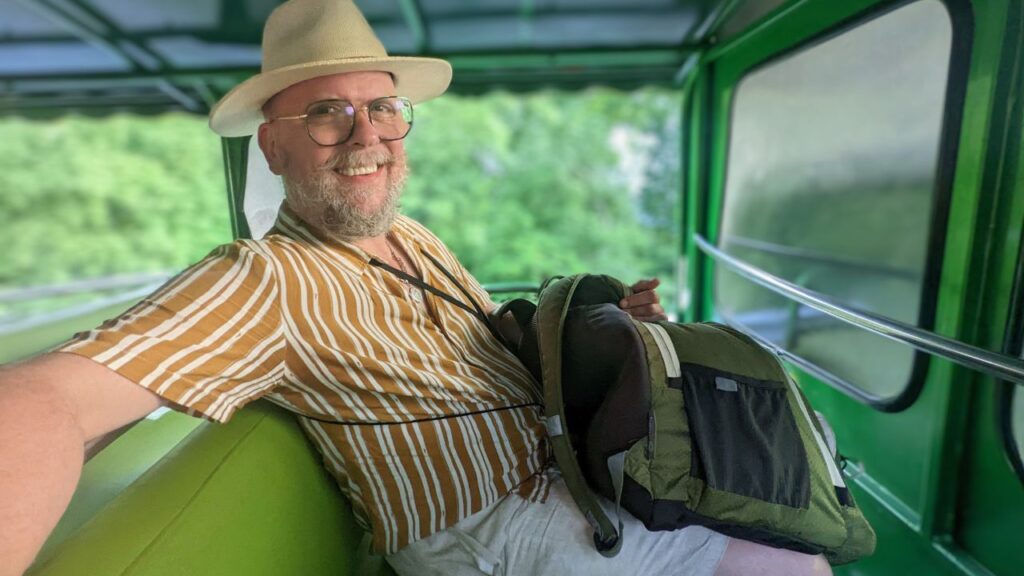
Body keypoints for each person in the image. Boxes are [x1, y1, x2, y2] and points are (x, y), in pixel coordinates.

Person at [0, 1, 832, 575]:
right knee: (792, 559)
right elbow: (48, 402)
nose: (366, 135)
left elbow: (492, 347)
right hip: (492, 532)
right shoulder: (264, 279)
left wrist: (615, 333)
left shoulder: (411, 235)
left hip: (562, 465)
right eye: (327, 112)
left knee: (784, 463)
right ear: (274, 148)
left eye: (383, 108)